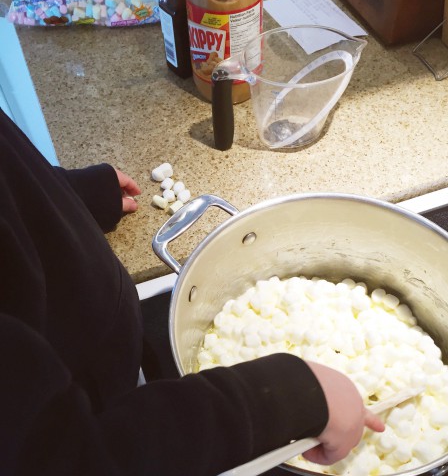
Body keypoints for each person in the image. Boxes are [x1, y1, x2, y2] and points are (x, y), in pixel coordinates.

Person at [0, 107, 384, 476]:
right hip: (98, 404)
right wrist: (285, 397)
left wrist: (55, 198)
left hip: (103, 359)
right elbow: (68, 461)